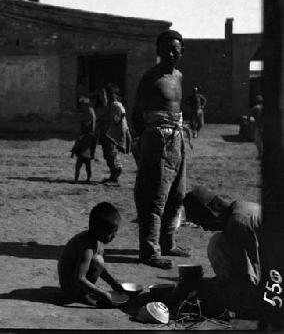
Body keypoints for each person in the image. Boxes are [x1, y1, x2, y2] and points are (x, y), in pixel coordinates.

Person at [131, 29, 190, 269]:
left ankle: (167, 242)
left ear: (182, 52)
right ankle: (149, 250)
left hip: (178, 139)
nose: (171, 54)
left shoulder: (179, 76)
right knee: (154, 197)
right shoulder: (151, 78)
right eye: (166, 50)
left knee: (177, 194)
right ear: (158, 51)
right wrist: (147, 141)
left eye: (175, 50)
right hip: (157, 141)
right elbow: (136, 115)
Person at [183, 186, 262, 318]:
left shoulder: (239, 221)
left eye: (202, 222)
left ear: (209, 211)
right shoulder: (238, 210)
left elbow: (262, 264)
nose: (205, 228)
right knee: (219, 241)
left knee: (218, 243)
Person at [58, 202, 125, 307]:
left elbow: (100, 269)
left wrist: (113, 284)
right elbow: (79, 278)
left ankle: (84, 291)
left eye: (115, 232)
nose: (114, 236)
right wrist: (102, 294)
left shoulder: (96, 240)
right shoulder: (87, 248)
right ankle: (80, 295)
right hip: (70, 286)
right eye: (111, 233)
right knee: (97, 261)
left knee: (98, 260)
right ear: (99, 232)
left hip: (73, 279)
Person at [96, 84, 130, 185]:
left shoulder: (116, 106)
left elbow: (116, 120)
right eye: (101, 95)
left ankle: (115, 177)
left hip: (113, 135)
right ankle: (112, 176)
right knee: (108, 154)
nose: (102, 97)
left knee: (112, 154)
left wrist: (104, 118)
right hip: (107, 133)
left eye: (104, 95)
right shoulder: (109, 106)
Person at [71, 97, 97, 183]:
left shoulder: (88, 112)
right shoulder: (91, 111)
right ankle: (87, 179)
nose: (81, 107)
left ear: (85, 104)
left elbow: (86, 123)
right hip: (89, 139)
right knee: (87, 162)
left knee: (81, 161)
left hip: (86, 139)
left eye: (82, 105)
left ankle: (78, 180)